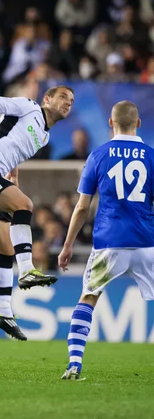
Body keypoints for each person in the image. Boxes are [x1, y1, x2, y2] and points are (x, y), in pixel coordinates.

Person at [0, 81, 74, 339]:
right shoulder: (28, 107)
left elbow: (13, 149)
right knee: (25, 205)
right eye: (64, 97)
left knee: (6, 248)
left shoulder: (44, 136)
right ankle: (26, 270)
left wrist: (13, 177)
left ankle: (3, 313)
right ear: (47, 98)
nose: (68, 103)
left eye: (72, 101)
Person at [59, 101, 154, 380]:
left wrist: (67, 245)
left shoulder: (98, 155)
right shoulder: (151, 156)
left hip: (109, 243)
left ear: (111, 123)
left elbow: (81, 207)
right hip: (146, 243)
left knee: (88, 298)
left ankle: (74, 363)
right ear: (138, 123)